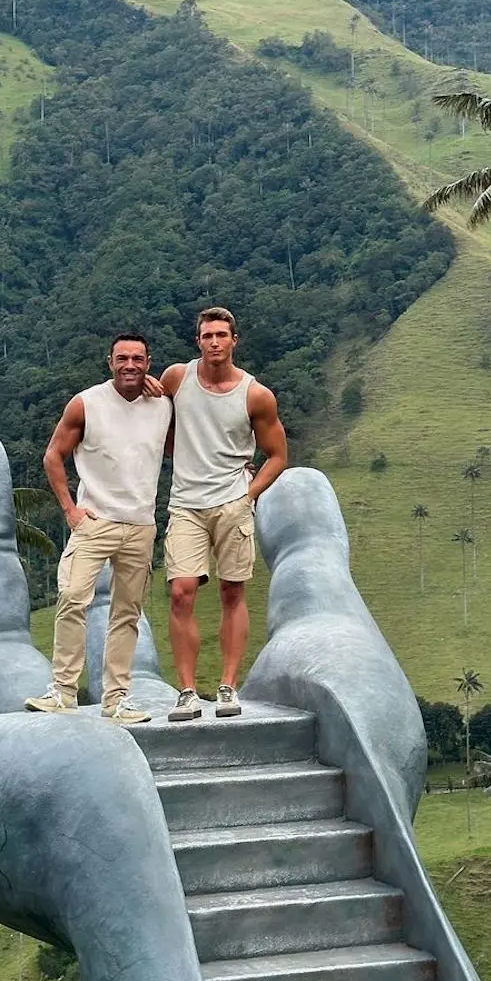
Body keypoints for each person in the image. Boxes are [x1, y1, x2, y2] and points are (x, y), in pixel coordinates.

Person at [25, 332, 172, 724]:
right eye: (122, 358)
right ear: (110, 362)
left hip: (141, 525)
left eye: (137, 359)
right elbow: (53, 456)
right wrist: (70, 509)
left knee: (128, 613)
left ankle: (116, 699)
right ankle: (62, 691)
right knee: (73, 596)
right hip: (95, 520)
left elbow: (191, 440)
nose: (130, 365)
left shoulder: (163, 406)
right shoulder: (87, 403)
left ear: (148, 362)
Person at [162, 307, 288, 722]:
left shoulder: (255, 394)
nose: (214, 342)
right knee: (181, 591)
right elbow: (156, 425)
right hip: (185, 503)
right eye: (206, 336)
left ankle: (228, 686)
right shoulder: (176, 379)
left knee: (232, 592)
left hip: (232, 502)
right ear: (197, 341)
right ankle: (186, 691)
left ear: (234, 340)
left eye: (221, 335)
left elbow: (276, 456)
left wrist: (248, 494)